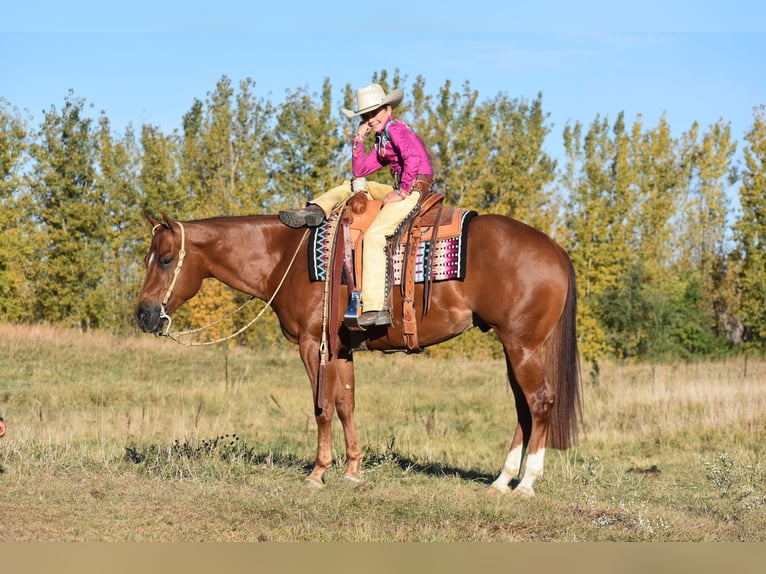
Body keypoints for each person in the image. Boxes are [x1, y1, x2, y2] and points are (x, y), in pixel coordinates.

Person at [279, 83, 434, 328]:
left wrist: (403, 191)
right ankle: (317, 209)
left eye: (374, 114)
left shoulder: (395, 129)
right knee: (355, 183)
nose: (370, 119)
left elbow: (413, 159)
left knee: (375, 237)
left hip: (415, 188)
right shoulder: (382, 138)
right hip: (404, 185)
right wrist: (358, 138)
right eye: (365, 116)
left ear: (387, 109)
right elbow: (360, 170)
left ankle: (376, 307)